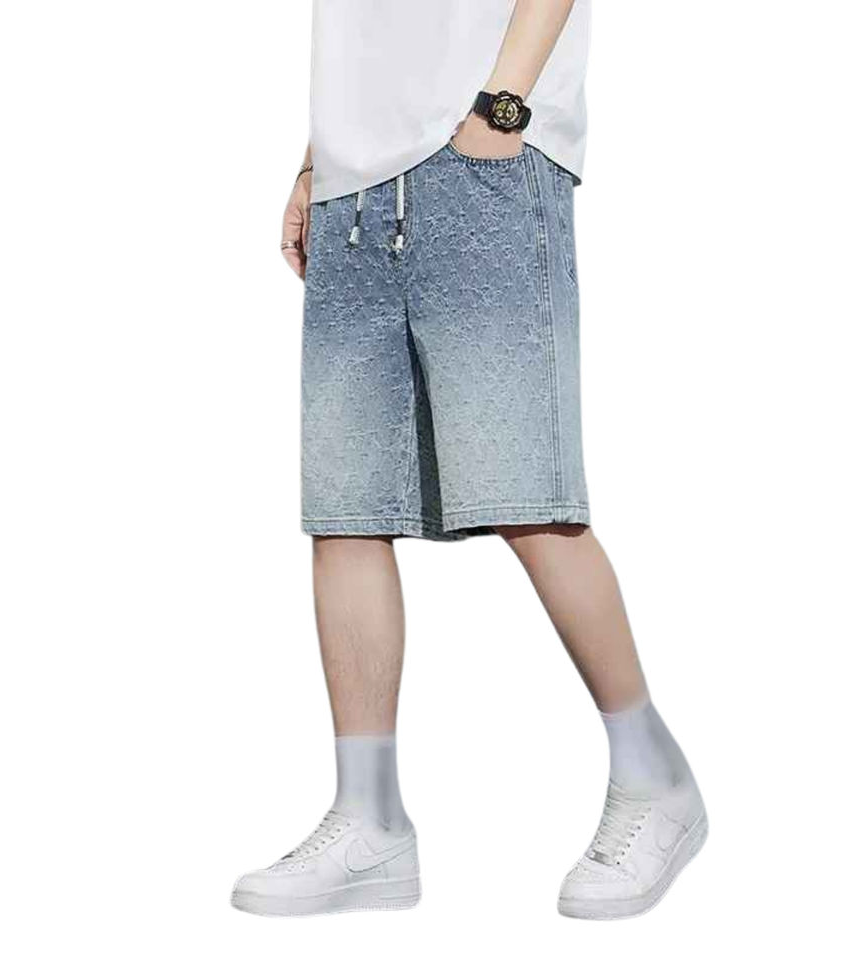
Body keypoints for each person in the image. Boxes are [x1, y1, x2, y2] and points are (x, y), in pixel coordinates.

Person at [232, 0, 707, 920]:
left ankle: (656, 781)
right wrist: (314, 157)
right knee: (347, 511)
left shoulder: (495, 129)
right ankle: (369, 819)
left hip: (484, 157)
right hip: (351, 187)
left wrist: (502, 110)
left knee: (529, 494)